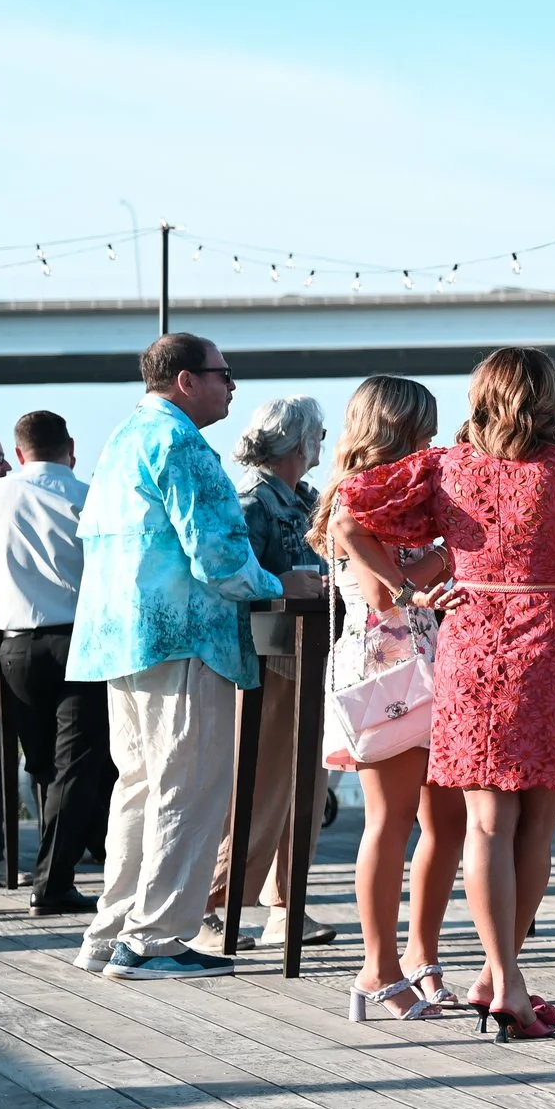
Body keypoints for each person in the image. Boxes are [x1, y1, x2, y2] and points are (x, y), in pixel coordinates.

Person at [333, 347, 555, 1040]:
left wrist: (411, 586)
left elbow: (350, 511)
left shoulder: (446, 466)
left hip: (473, 643)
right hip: (554, 643)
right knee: (536, 825)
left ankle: (496, 977)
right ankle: (502, 977)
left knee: (485, 824)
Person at [69, 334, 320, 980]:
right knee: (191, 785)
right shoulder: (182, 444)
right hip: (184, 635)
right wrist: (278, 584)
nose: (232, 386)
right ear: (186, 380)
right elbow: (215, 554)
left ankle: (111, 929)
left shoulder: (123, 439)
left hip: (120, 638)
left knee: (139, 787)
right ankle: (155, 940)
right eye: (224, 374)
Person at [311, 377, 465, 1021]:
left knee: (447, 822)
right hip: (384, 667)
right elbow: (384, 594)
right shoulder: (356, 498)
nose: (431, 437)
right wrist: (452, 554)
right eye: (423, 426)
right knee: (392, 819)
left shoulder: (405, 494)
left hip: (432, 662)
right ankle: (378, 966)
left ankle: (421, 958)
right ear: (395, 427)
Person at [205, 395, 334, 951]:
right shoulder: (253, 500)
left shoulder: (306, 499)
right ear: (298, 440)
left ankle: (288, 904)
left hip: (308, 655)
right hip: (269, 658)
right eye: (319, 434)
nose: (324, 444)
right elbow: (232, 580)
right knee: (257, 787)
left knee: (307, 785)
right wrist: (286, 582)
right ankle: (215, 904)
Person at [0, 411, 112, 915]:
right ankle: (53, 883)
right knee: (76, 768)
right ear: (71, 449)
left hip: (13, 646)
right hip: (78, 642)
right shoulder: (91, 498)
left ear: (19, 454)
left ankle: (47, 873)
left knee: (40, 764)